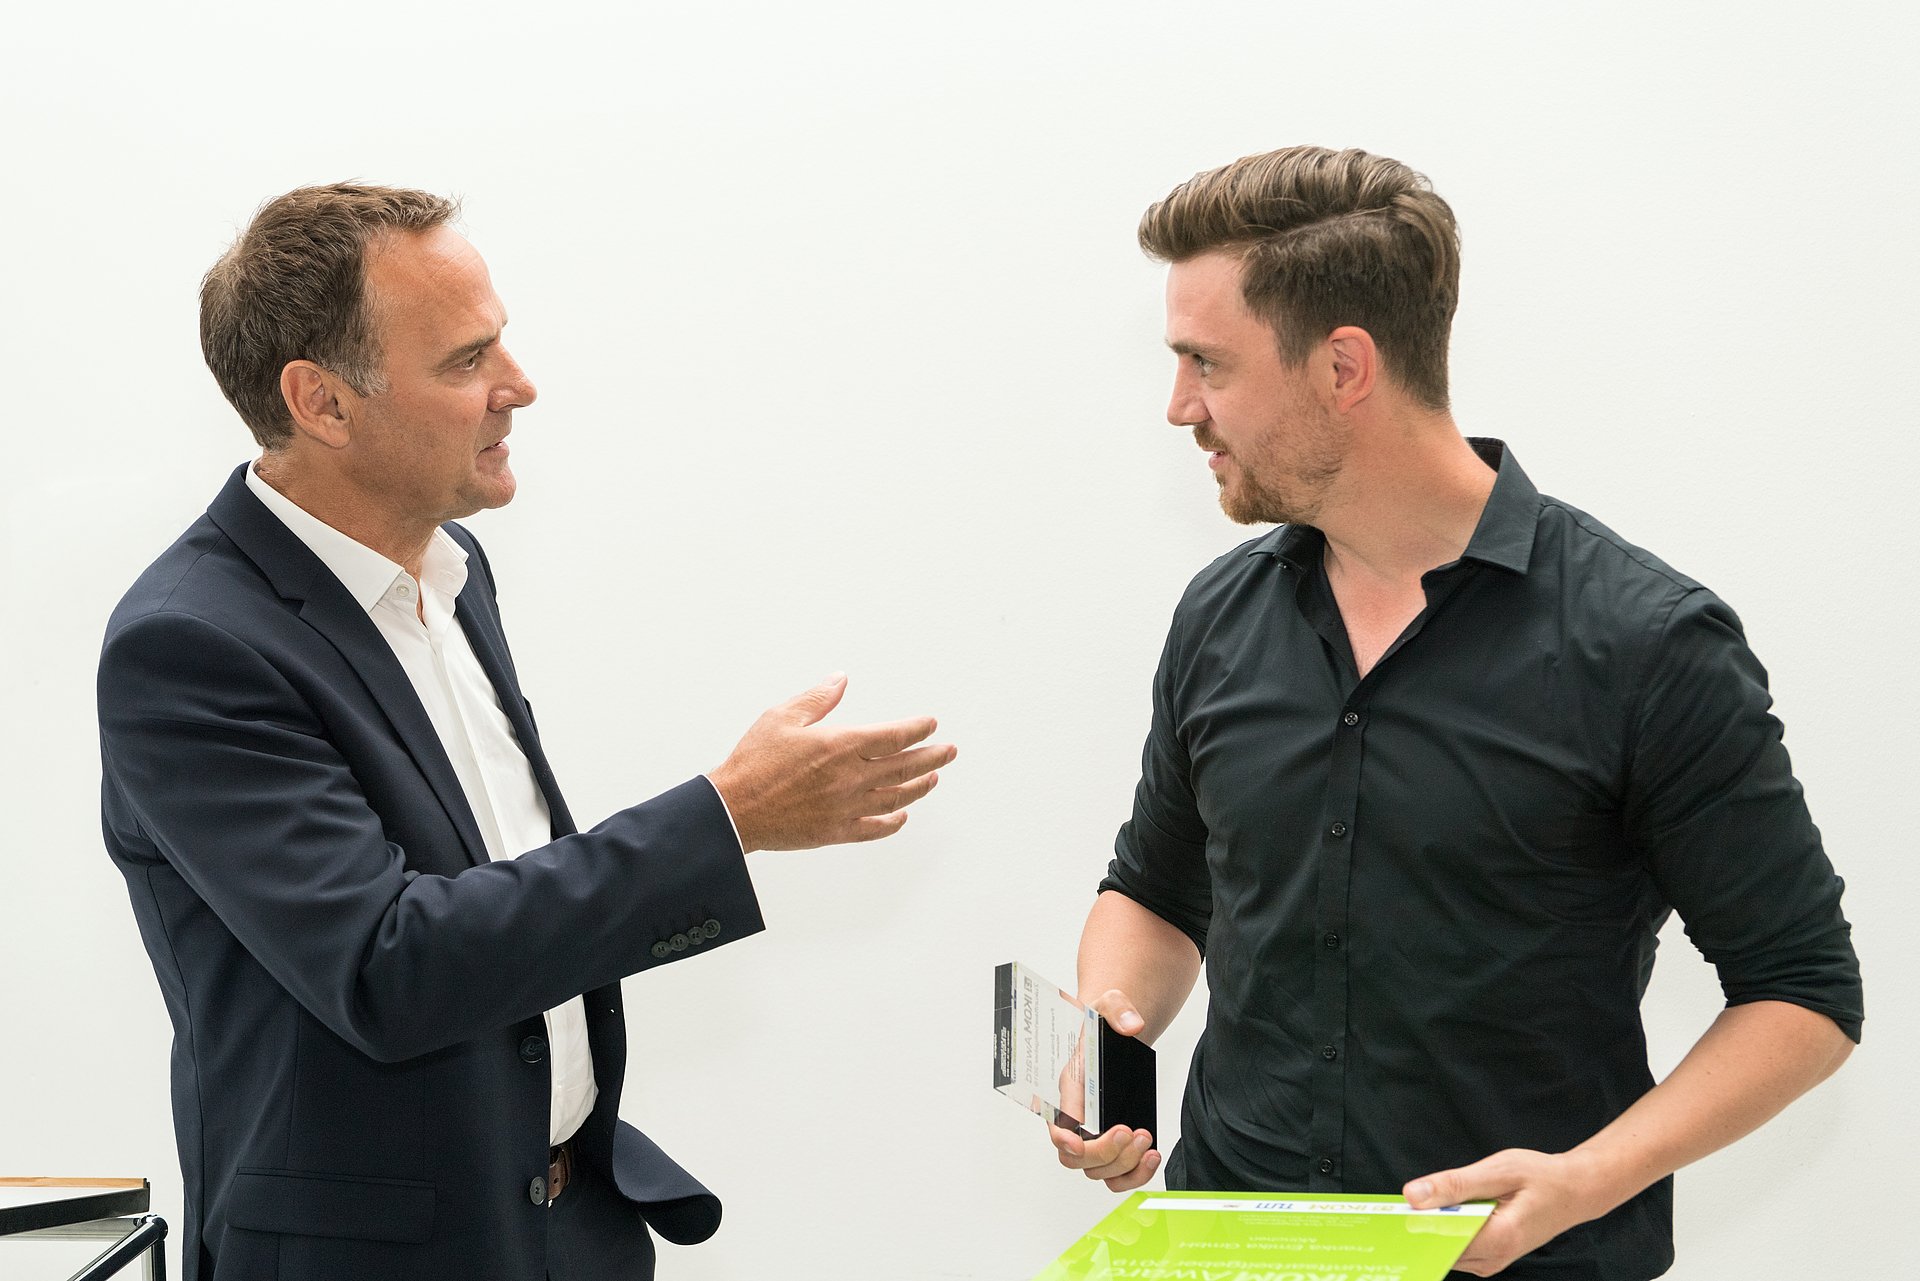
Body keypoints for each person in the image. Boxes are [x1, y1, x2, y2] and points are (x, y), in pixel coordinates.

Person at [98, 183, 956, 1281]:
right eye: (465, 361)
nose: (520, 386)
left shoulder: (455, 569)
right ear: (322, 401)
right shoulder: (190, 646)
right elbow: (387, 965)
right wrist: (726, 819)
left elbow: (500, 886)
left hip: (564, 1227)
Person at [1043, 147, 1862, 1280]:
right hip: (1226, 1251)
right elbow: (1154, 888)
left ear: (1343, 367)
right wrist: (1111, 1025)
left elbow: (1804, 993)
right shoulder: (1220, 615)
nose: (1180, 406)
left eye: (1207, 364)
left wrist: (1593, 1176)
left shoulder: (1648, 643)